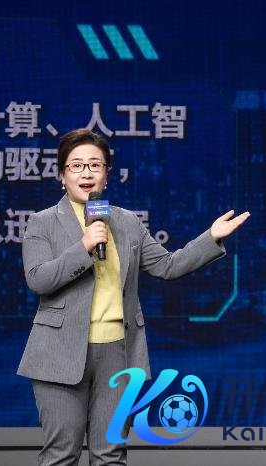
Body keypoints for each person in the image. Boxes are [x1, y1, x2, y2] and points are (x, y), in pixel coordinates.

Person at [17, 128, 249, 465]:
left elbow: (168, 266)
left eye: (95, 165)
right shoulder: (43, 223)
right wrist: (84, 246)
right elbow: (39, 279)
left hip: (119, 354)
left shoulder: (127, 223)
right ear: (62, 176)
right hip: (59, 353)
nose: (86, 173)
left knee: (111, 455)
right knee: (61, 455)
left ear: (107, 175)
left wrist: (210, 238)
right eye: (76, 165)